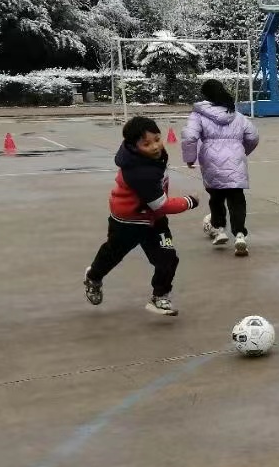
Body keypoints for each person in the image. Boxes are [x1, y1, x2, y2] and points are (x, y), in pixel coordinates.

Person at [83, 116, 200, 317]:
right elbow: (161, 204)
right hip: (129, 222)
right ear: (134, 146)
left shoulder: (153, 157)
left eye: (157, 139)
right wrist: (189, 201)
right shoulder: (139, 172)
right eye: (146, 144)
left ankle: (160, 296)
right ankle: (93, 277)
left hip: (154, 220)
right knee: (112, 254)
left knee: (168, 258)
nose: (155, 146)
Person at [181, 78, 260, 256]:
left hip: (211, 159)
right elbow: (253, 136)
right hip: (236, 160)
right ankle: (240, 235)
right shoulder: (237, 115)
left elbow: (190, 137)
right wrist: (241, 152)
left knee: (216, 197)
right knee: (237, 199)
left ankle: (220, 230)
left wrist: (190, 157)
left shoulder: (198, 114)